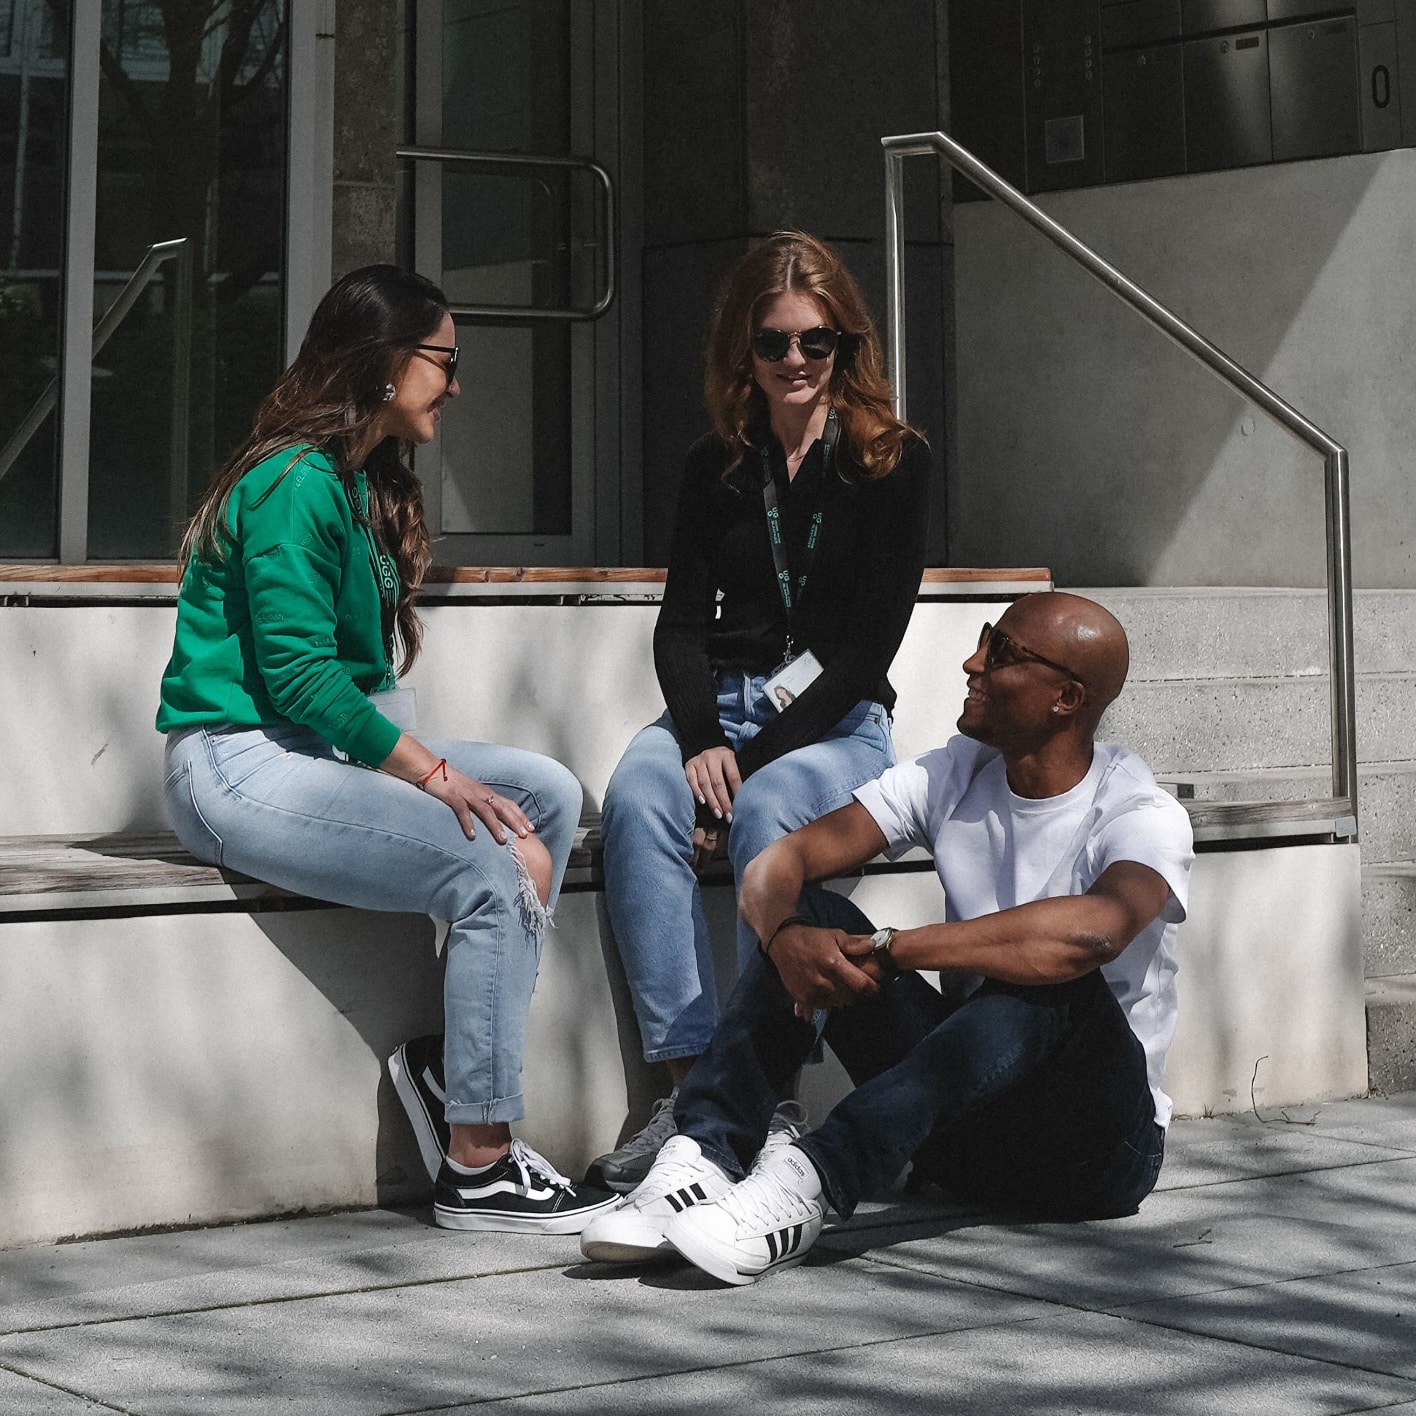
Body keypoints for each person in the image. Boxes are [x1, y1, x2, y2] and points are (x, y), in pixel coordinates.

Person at [156, 264, 615, 1234]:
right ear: (385, 361)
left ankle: (454, 1065)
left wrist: (426, 787)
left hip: (305, 753)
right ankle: (480, 1163)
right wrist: (433, 781)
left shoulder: (356, 482)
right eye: (443, 361)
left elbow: (358, 689)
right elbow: (297, 679)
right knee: (495, 867)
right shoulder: (291, 483)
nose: (456, 383)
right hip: (236, 762)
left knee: (543, 795)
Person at [581, 592, 1194, 1284]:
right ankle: (705, 1156)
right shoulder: (954, 772)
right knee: (816, 916)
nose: (973, 662)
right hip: (963, 1133)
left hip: (1096, 1153)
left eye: (1002, 654)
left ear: (1067, 698)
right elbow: (776, 866)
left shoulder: (1140, 811)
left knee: (1053, 984)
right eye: (984, 639)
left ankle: (809, 1183)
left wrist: (897, 947)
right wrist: (784, 938)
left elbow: (1093, 934)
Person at [588, 232, 932, 1191]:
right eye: (772, 342)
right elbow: (680, 628)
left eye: (813, 343)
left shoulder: (894, 467)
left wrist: (749, 762)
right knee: (640, 798)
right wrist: (699, 738)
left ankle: (764, 1099)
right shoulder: (718, 466)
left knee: (773, 811)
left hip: (836, 725)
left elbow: (866, 652)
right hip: (720, 715)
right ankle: (694, 1093)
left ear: (845, 348)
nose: (793, 362)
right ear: (743, 351)